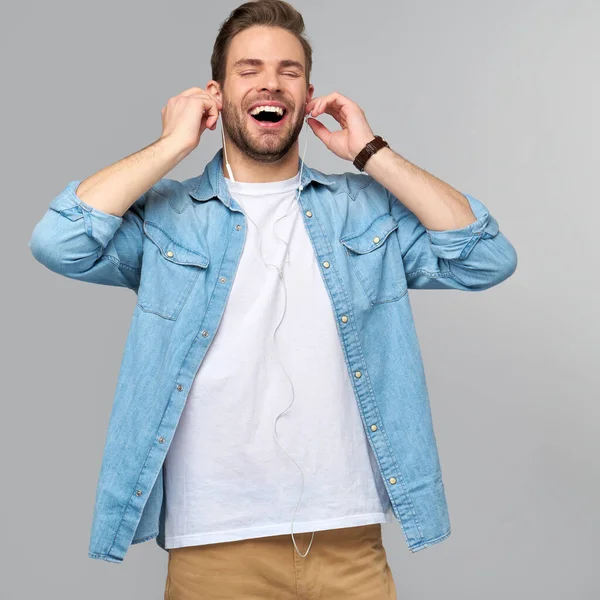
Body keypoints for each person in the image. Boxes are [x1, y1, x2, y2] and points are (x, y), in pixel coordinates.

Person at [28, 0, 517, 598]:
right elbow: (59, 242)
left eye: (289, 71)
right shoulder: (168, 219)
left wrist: (371, 153)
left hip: (347, 540)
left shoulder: (363, 210)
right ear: (217, 92)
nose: (270, 82)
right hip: (213, 543)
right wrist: (172, 145)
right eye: (249, 68)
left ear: (308, 94)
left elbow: (486, 258)